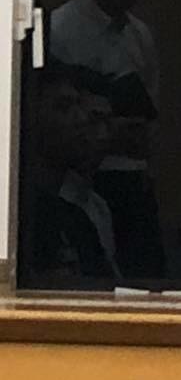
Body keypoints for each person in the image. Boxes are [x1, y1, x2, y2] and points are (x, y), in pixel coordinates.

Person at [45, 0, 165, 278]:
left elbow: (149, 123)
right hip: (84, 185)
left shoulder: (140, 36)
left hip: (135, 186)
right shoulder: (58, 31)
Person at [20, 62, 121, 283]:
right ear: (27, 118)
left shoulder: (78, 219)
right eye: (63, 107)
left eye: (79, 106)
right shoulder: (14, 219)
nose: (81, 119)